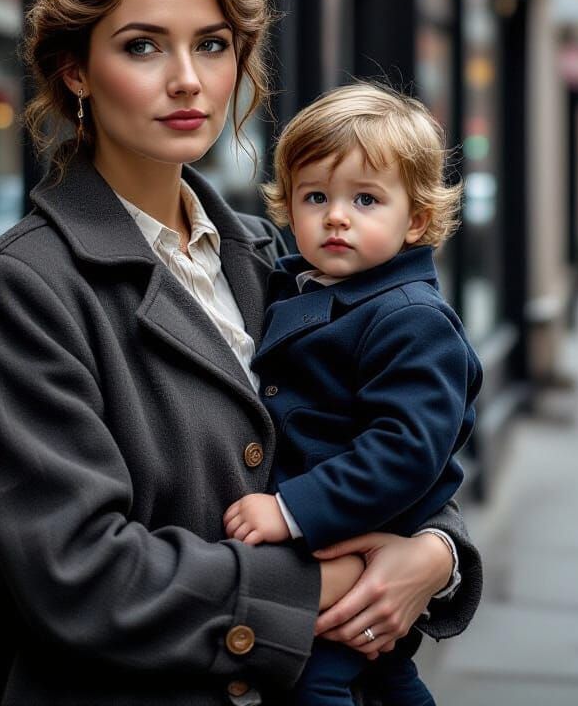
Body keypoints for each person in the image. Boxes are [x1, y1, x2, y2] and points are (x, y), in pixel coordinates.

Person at [0, 0, 482, 706]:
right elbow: (81, 576)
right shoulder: (23, 286)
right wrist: (327, 583)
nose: (188, 80)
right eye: (142, 46)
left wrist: (437, 553)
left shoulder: (272, 258)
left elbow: (390, 436)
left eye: (212, 44)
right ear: (76, 70)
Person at [224, 84, 481, 706]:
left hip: (360, 542)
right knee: (387, 678)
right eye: (315, 196)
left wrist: (290, 510)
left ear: (415, 219)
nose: (336, 216)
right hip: (339, 544)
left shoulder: (410, 317)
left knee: (315, 679)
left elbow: (406, 450)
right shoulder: (299, 284)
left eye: (365, 199)